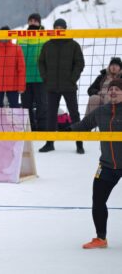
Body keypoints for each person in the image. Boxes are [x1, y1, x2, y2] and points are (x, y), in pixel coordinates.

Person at [64, 78, 122, 249]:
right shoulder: (101, 111)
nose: (113, 91)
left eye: (117, 89)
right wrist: (65, 131)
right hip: (107, 165)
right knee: (98, 201)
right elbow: (84, 125)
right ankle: (100, 238)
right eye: (110, 89)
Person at [38, 18, 85, 153]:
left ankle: (79, 143)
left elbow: (79, 63)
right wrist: (45, 77)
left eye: (61, 27)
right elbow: (41, 62)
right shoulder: (47, 45)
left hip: (68, 85)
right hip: (51, 86)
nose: (59, 29)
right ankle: (49, 143)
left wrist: (73, 78)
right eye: (56, 27)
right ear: (54, 29)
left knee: (74, 114)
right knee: (51, 114)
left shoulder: (73, 45)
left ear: (65, 29)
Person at [0, 26, 26, 109]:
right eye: (3, 34)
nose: (5, 36)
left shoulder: (17, 49)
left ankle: (15, 122)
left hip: (13, 85)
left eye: (7, 34)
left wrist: (21, 86)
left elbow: (21, 69)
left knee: (14, 109)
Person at [18, 13, 48, 131]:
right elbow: (17, 57)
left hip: (41, 78)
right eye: (30, 21)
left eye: (35, 21)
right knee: (26, 107)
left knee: (42, 106)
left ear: (39, 23)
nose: (32, 23)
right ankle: (29, 130)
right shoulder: (21, 37)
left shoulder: (46, 36)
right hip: (25, 79)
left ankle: (42, 130)